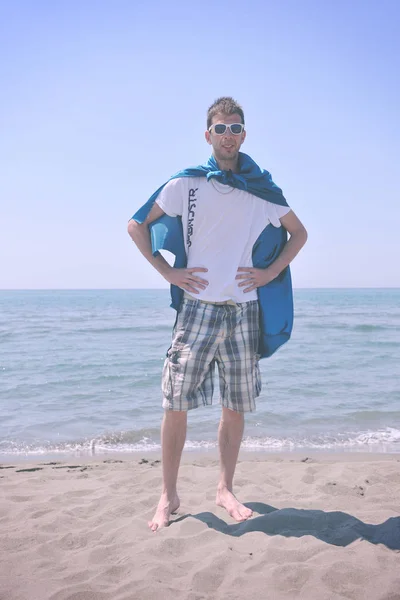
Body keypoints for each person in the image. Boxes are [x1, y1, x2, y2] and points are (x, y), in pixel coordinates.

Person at [127, 97, 307, 532]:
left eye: (235, 128)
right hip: (197, 311)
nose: (228, 136)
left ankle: (225, 488)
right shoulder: (185, 185)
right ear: (208, 135)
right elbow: (136, 225)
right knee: (175, 403)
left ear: (244, 134)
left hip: (243, 312)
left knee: (235, 405)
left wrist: (269, 273)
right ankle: (168, 494)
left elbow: (298, 233)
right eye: (220, 129)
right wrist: (167, 270)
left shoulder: (260, 189)